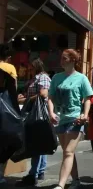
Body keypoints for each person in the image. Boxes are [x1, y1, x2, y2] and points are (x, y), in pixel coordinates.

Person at [48, 49, 93, 189]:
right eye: (61, 58)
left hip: (75, 119)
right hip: (60, 119)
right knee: (68, 152)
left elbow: (87, 98)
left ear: (73, 60)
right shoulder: (56, 77)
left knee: (68, 152)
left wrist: (85, 115)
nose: (61, 61)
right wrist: (51, 113)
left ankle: (60, 185)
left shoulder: (81, 78)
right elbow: (50, 97)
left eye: (64, 58)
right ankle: (76, 180)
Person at [17, 58, 51, 186]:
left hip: (39, 114)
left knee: (36, 144)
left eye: (30, 66)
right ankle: (40, 171)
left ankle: (33, 174)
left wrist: (27, 99)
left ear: (36, 66)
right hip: (33, 113)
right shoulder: (33, 78)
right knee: (39, 143)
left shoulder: (42, 77)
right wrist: (23, 98)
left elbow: (43, 94)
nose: (28, 69)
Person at [0, 44, 19, 185]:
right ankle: (1, 174)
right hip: (5, 110)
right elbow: (14, 90)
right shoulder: (10, 68)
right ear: (9, 57)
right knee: (7, 141)